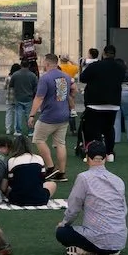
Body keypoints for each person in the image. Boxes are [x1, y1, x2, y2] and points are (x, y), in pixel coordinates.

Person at [57, 140, 127, 255]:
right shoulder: (118, 180)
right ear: (105, 158)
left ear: (87, 158)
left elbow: (74, 208)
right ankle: (108, 251)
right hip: (119, 239)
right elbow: (123, 210)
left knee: (62, 232)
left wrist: (63, 223)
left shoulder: (84, 178)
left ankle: (91, 251)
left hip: (98, 237)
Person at [30, 53, 74, 182]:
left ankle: (50, 167)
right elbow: (64, 95)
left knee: (38, 139)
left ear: (47, 63)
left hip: (49, 115)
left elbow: (39, 98)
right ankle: (61, 173)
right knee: (60, 144)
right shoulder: (65, 77)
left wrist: (32, 114)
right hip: (63, 114)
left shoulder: (45, 78)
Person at [78, 44, 126, 157]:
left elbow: (83, 78)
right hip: (113, 103)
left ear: (103, 54)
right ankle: (110, 153)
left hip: (94, 103)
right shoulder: (120, 68)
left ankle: (95, 153)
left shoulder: (95, 66)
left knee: (93, 129)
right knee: (109, 129)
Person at [4, 137, 52, 206]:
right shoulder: (39, 158)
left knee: (6, 187)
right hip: (40, 200)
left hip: (16, 200)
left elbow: (10, 182)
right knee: (52, 184)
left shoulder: (12, 160)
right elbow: (42, 179)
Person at [5, 58, 37, 137]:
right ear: (29, 65)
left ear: (21, 65)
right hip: (29, 98)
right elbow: (36, 87)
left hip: (18, 97)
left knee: (18, 115)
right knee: (29, 115)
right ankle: (30, 131)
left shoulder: (15, 74)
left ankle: (18, 131)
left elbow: (11, 85)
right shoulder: (33, 75)